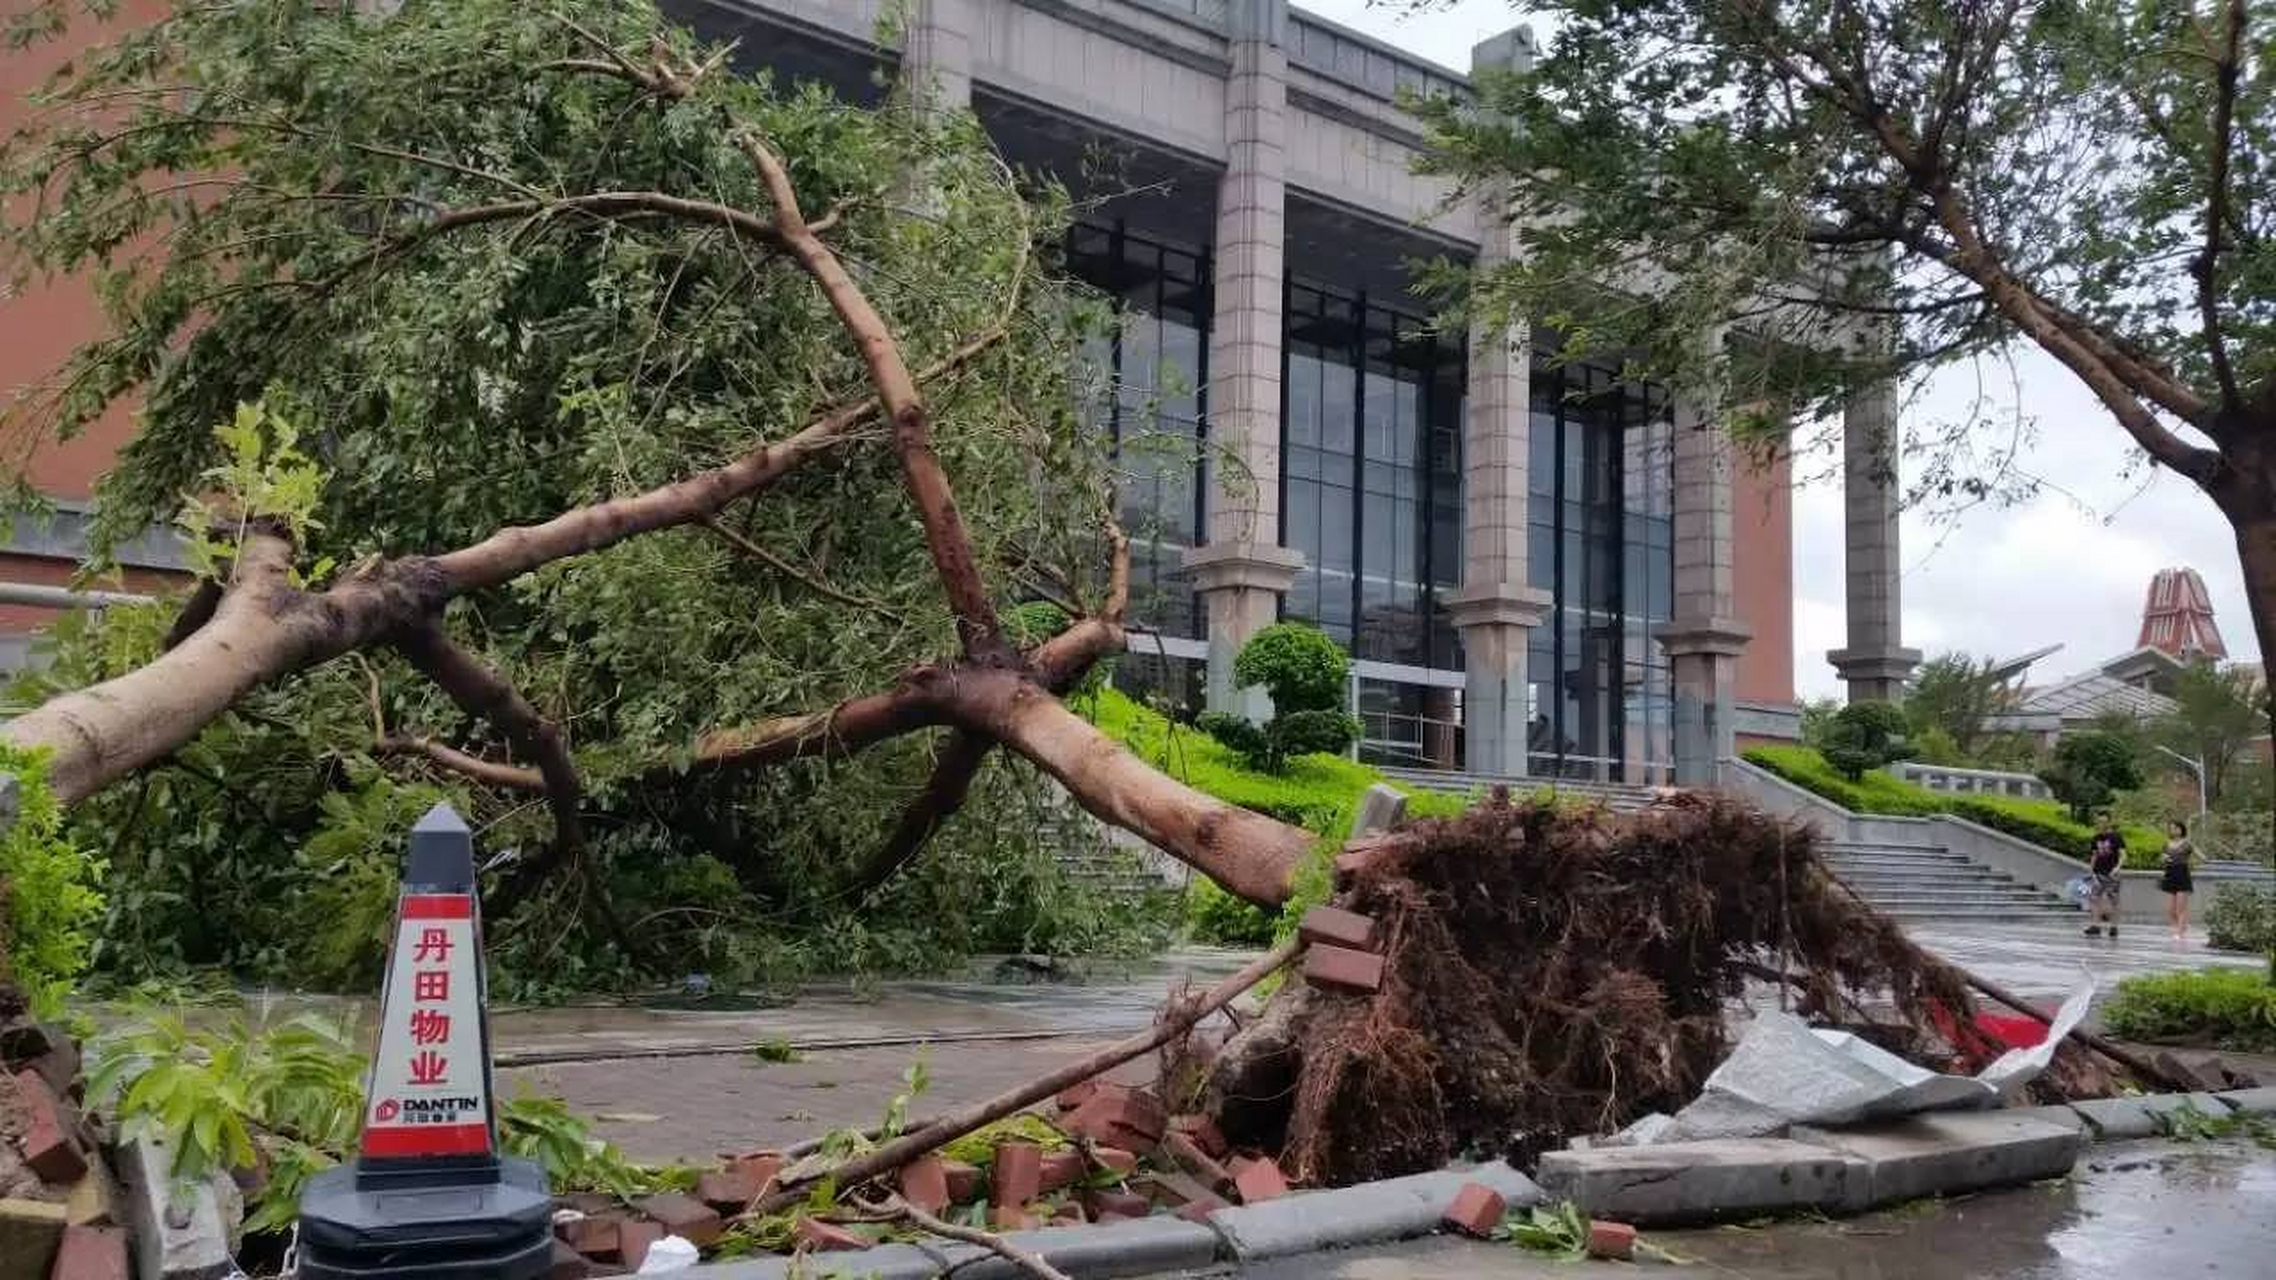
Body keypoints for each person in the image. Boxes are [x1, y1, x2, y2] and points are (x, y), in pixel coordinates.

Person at [2083, 815, 2126, 938]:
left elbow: (2123, 855)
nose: (2101, 824)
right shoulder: (2096, 838)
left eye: (2103, 821)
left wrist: (2117, 867)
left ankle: (2114, 927)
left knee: (2114, 900)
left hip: (2112, 873)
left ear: (2109, 822)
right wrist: (2091, 870)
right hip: (2098, 873)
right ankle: (2095, 926)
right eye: (2099, 821)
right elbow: (2094, 855)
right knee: (2094, 898)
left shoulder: (2116, 837)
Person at [2159, 818, 2198, 942]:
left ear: (2181, 829)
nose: (2173, 830)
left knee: (2180, 908)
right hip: (2170, 874)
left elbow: (2200, 856)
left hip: (2182, 874)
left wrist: (2193, 863)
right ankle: (2180, 928)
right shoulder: (2166, 844)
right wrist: (2164, 859)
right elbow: (2162, 858)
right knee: (2171, 910)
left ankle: (2179, 933)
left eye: (2176, 828)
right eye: (2171, 828)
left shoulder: (2187, 844)